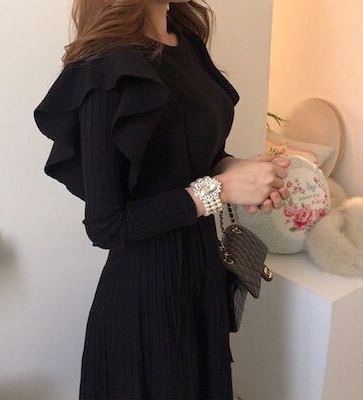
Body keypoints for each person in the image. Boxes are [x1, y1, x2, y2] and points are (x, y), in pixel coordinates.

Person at [33, 1, 290, 399]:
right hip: (146, 299)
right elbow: (106, 225)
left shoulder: (185, 41)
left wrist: (236, 169)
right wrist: (219, 190)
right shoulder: (104, 68)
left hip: (202, 276)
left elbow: (191, 155)